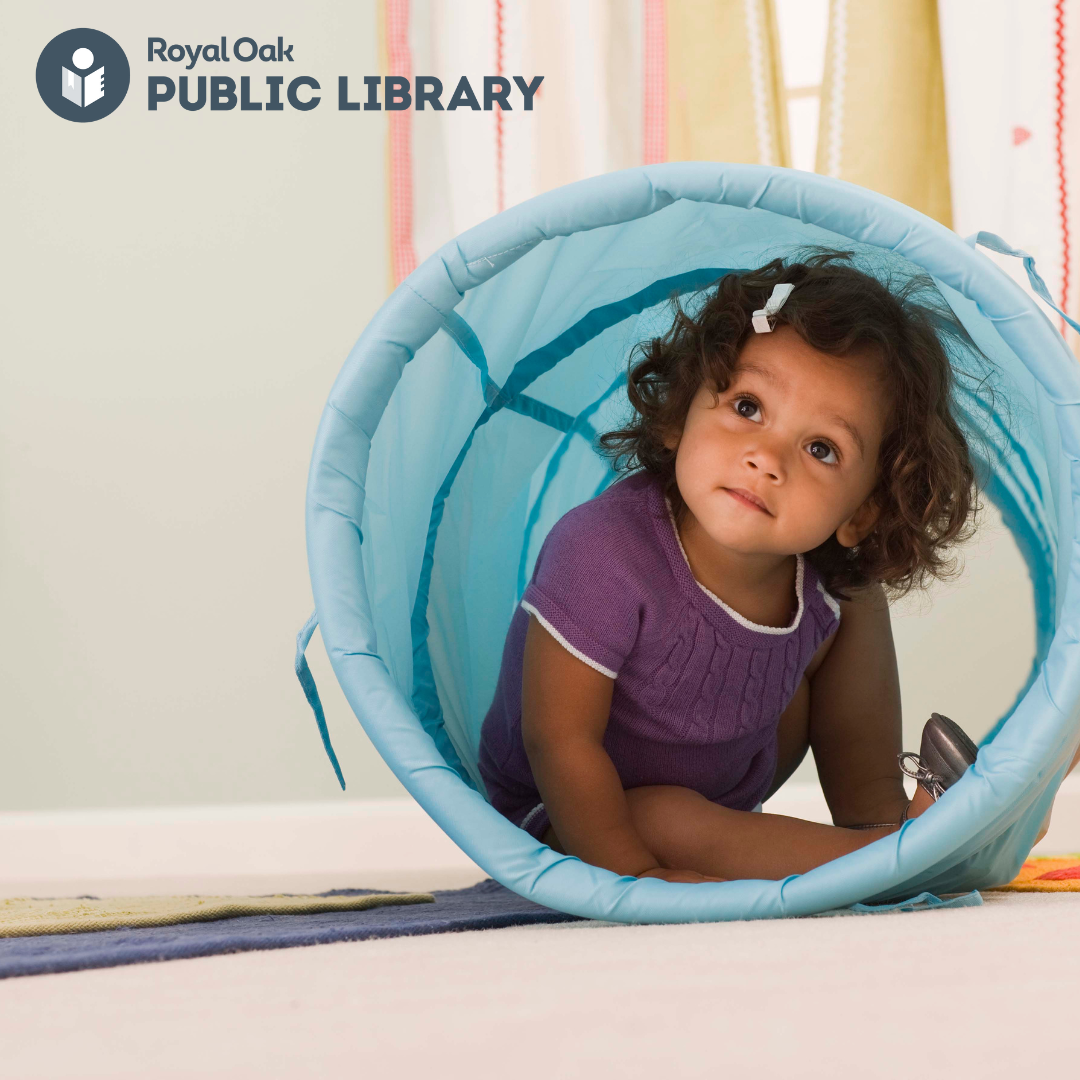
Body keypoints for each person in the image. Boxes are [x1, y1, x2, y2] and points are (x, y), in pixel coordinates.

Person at [477, 252, 1018, 884]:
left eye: (821, 448)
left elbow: (848, 702)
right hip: (566, 815)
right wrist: (629, 881)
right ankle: (909, 862)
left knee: (852, 593)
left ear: (861, 513)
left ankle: (888, 830)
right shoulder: (602, 551)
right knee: (665, 817)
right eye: (747, 408)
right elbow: (557, 741)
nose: (766, 457)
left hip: (724, 779)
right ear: (682, 411)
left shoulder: (826, 584)